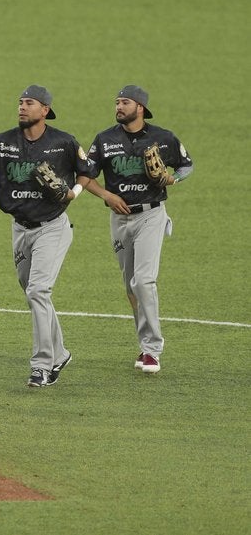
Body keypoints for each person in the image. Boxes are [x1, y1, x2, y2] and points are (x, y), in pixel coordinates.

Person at [0, 86, 91, 388]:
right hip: (19, 229)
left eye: (29, 103)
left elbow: (87, 170)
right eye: (19, 102)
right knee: (34, 293)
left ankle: (42, 366)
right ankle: (60, 353)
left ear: (44, 110)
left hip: (52, 226)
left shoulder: (63, 142)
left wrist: (74, 192)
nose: (21, 107)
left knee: (38, 292)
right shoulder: (4, 142)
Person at [83, 85, 193, 374]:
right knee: (131, 286)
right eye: (117, 102)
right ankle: (144, 343)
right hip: (119, 220)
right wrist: (106, 195)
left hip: (151, 216)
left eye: (125, 102)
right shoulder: (105, 140)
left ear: (140, 107)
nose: (119, 106)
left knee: (143, 281)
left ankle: (152, 350)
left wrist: (172, 180)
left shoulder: (163, 138)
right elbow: (85, 175)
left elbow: (186, 165)